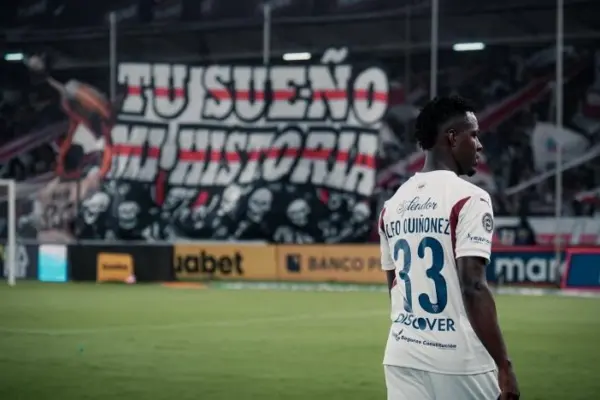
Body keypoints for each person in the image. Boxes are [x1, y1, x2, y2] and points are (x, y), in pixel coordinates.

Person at [378, 96, 520, 400]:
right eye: (474, 135)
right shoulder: (470, 198)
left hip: (402, 355)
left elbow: (394, 285)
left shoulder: (392, 205)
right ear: (453, 137)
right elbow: (473, 286)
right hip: (459, 361)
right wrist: (504, 365)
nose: (479, 145)